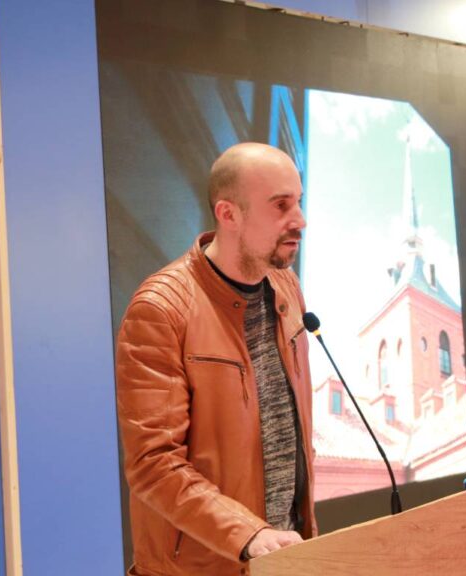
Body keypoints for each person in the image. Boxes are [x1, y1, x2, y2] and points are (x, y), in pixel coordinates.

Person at [116, 142, 316, 575]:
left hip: (281, 558)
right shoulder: (161, 309)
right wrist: (247, 535)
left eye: (298, 202)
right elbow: (153, 464)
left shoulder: (286, 288)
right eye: (281, 205)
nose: (299, 220)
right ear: (228, 214)